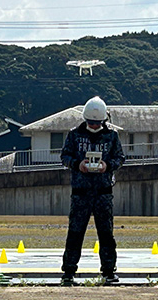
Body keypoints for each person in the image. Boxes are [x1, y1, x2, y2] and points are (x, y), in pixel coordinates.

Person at [60, 96, 125, 285]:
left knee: (106, 233)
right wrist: (76, 164)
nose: (94, 126)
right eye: (91, 123)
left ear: (104, 120)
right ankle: (69, 272)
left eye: (97, 123)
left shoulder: (112, 136)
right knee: (75, 232)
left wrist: (108, 165)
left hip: (103, 192)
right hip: (81, 192)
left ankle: (108, 271)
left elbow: (120, 158)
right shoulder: (74, 134)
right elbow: (64, 156)